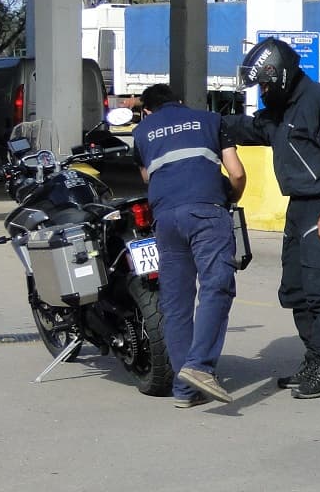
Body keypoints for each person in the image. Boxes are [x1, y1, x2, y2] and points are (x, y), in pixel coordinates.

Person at [222, 38, 320, 399]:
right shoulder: (282, 109)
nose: (263, 92)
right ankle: (315, 354)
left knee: (318, 289)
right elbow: (253, 128)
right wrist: (205, 124)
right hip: (300, 204)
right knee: (294, 289)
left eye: (265, 85)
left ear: (280, 75)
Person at [132, 84, 247, 408]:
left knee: (175, 302)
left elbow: (148, 177)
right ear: (180, 102)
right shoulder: (210, 120)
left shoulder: (141, 133)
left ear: (147, 111)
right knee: (216, 286)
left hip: (166, 219)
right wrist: (230, 197)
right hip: (206, 211)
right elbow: (237, 173)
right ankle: (199, 366)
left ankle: (185, 391)